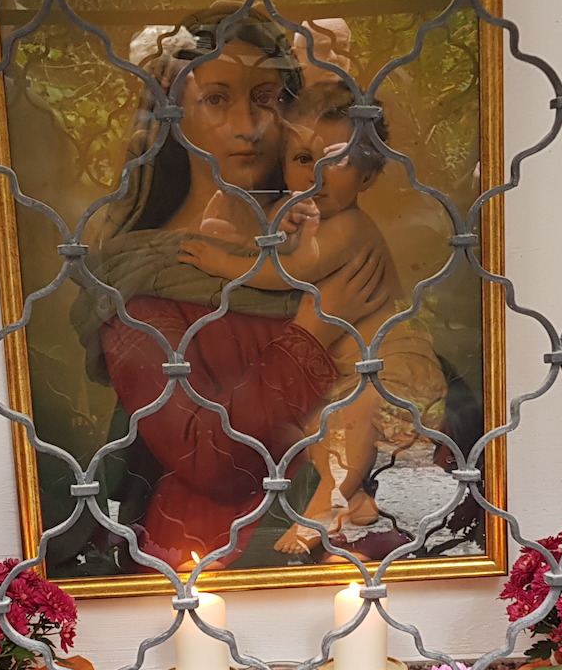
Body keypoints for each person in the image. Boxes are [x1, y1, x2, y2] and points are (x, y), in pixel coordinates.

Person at [71, 11, 394, 569]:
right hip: (208, 551)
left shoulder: (325, 239)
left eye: (265, 98)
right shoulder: (143, 277)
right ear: (173, 115)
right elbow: (209, 462)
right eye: (217, 99)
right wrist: (314, 328)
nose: (248, 125)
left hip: (338, 542)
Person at [176, 83, 447, 552]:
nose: (315, 174)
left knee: (353, 416)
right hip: (348, 372)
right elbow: (282, 251)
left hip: (392, 365)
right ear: (284, 165)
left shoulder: (348, 226)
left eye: (335, 161)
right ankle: (354, 500)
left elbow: (289, 272)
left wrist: (222, 263)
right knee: (320, 430)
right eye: (303, 159)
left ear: (366, 177)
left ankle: (326, 505)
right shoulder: (311, 219)